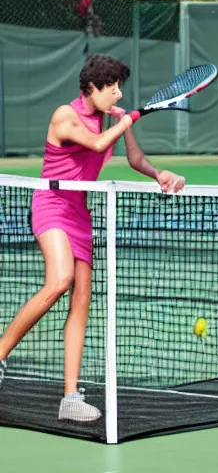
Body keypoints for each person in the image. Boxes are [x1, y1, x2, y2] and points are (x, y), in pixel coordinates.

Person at [0, 54, 185, 422]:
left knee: (81, 297)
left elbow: (134, 158)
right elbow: (98, 145)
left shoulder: (113, 117)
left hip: (80, 212)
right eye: (112, 87)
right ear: (91, 88)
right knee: (60, 280)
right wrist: (130, 117)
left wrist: (158, 173)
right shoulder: (64, 116)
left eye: (120, 87)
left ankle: (70, 397)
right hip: (51, 202)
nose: (119, 94)